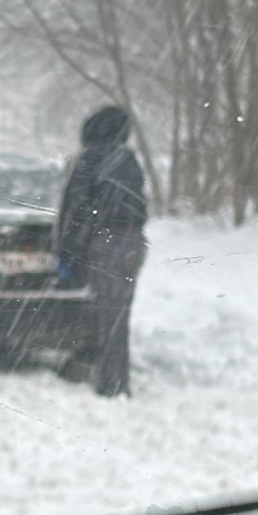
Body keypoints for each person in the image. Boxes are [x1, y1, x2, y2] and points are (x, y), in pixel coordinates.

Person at [55, 105, 148, 395]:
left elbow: (76, 208)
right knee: (117, 314)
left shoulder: (91, 159)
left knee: (106, 315)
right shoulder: (128, 160)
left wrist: (66, 251)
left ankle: (113, 385)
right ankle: (111, 376)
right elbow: (136, 204)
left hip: (105, 243)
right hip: (132, 243)